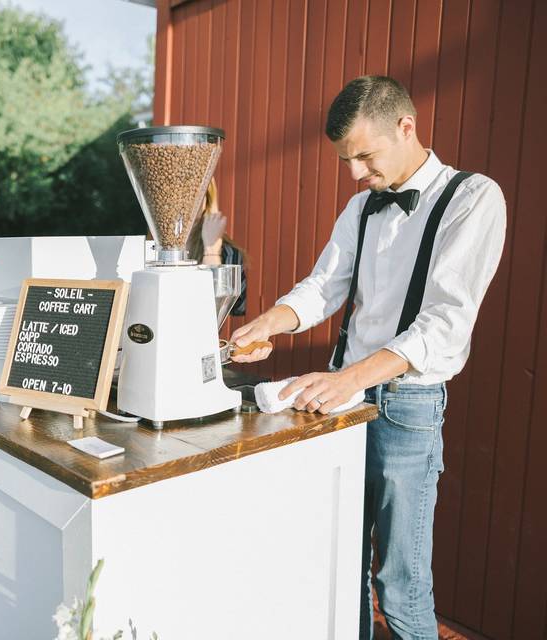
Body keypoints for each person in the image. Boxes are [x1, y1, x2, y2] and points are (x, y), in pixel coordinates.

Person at [229, 76, 506, 639]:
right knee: (337, 565)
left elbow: (444, 326)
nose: (355, 172)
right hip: (341, 402)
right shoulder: (360, 207)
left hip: (408, 407)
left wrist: (346, 377)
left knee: (399, 583)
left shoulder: (474, 199)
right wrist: (268, 325)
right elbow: (321, 288)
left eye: (364, 155)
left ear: (406, 127)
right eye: (346, 159)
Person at [186, 177, 247, 316]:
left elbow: (235, 307)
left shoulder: (228, 252)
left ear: (207, 199)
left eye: (194, 193)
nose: (185, 201)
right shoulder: (149, 248)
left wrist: (211, 250)